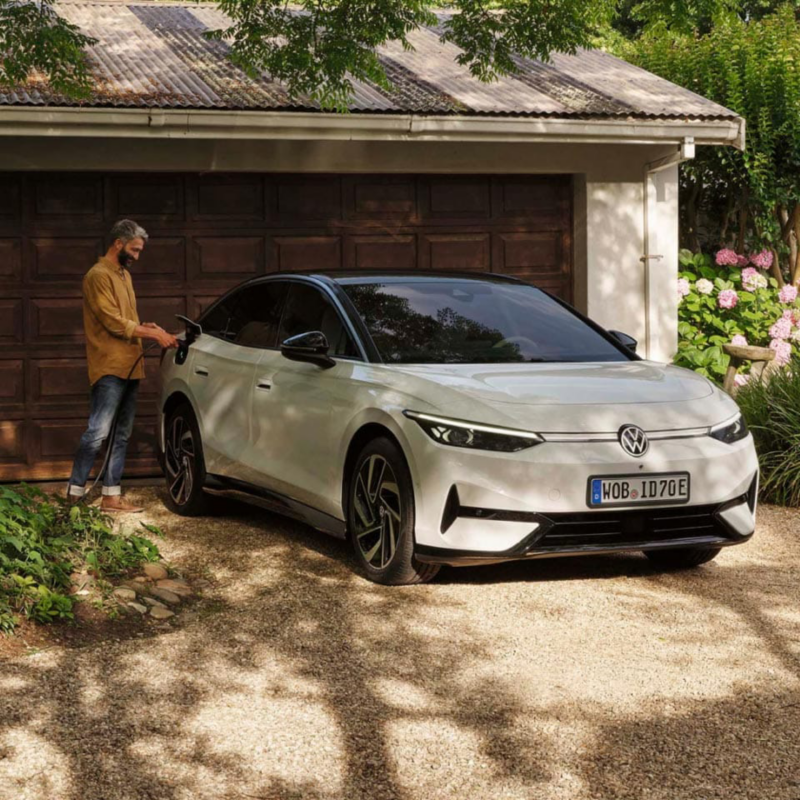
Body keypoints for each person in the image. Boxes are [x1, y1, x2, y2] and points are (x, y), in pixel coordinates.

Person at [66, 219, 179, 512]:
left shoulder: (124, 275)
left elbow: (126, 319)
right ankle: (74, 494)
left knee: (122, 434)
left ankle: (111, 497)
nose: (137, 256)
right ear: (119, 243)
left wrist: (146, 326)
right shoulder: (97, 276)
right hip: (109, 368)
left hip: (131, 364)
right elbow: (113, 322)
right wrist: (154, 334)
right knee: (97, 433)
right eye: (135, 250)